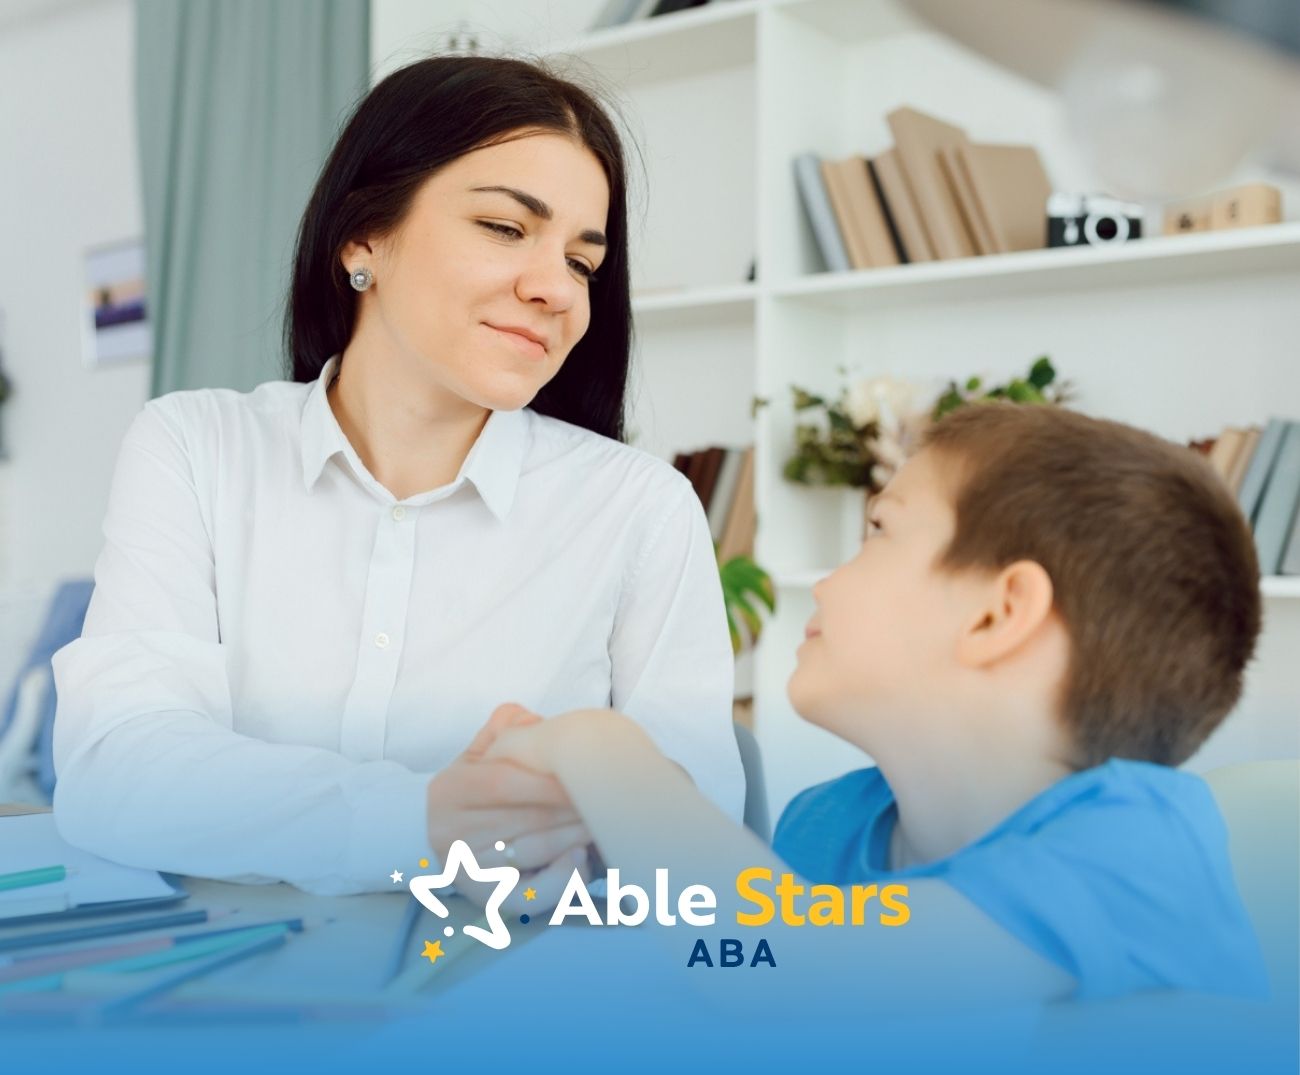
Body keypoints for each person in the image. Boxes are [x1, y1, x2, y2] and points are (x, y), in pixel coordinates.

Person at [50, 56, 744, 899]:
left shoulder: (639, 510)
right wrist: (431, 817)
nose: (554, 288)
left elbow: (691, 841)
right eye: (504, 227)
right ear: (364, 236)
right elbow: (117, 769)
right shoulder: (197, 448)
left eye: (582, 263)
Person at [483, 402, 1270, 1002]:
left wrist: (596, 747)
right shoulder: (825, 824)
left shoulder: (1136, 847)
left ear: (998, 614)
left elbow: (789, 977)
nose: (826, 580)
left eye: (878, 531)